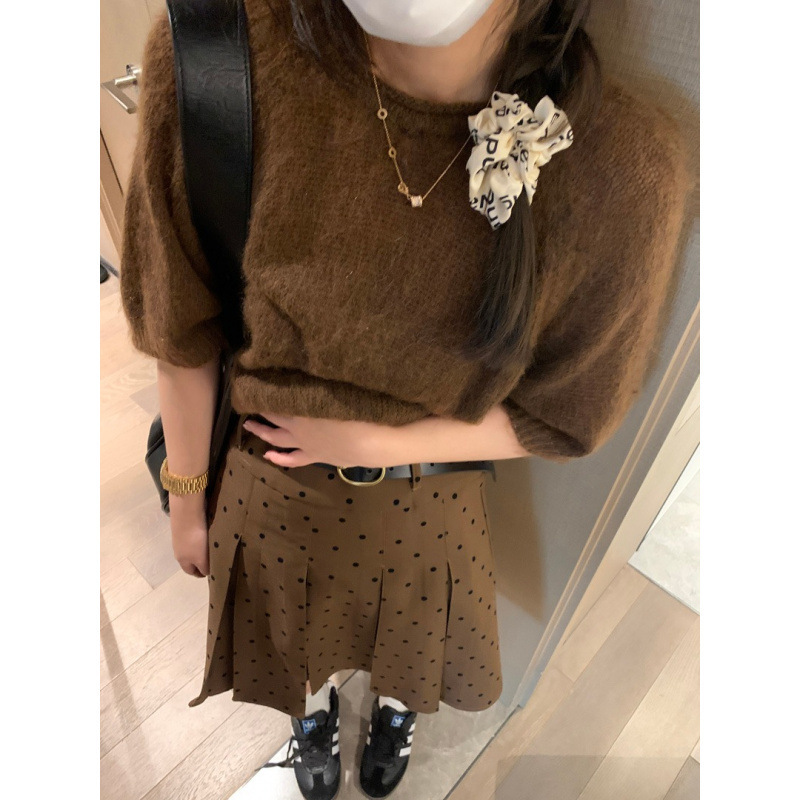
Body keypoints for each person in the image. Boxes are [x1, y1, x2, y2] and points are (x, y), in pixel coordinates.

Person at [118, 0, 691, 798]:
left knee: (411, 649)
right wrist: (185, 500)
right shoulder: (221, 63)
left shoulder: (621, 168)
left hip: (429, 499)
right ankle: (311, 721)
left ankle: (396, 715)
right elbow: (182, 333)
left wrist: (376, 443)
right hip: (267, 488)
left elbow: (568, 417)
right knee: (294, 649)